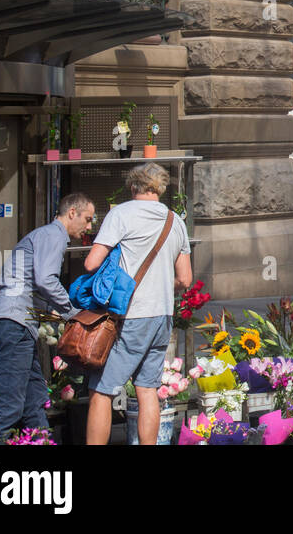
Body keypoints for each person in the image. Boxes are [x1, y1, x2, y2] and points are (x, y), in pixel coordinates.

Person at [84, 163, 192, 445]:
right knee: (147, 390)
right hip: (162, 316)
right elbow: (185, 278)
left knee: (102, 390)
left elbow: (91, 263)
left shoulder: (120, 214)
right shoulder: (174, 220)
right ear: (160, 189)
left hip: (131, 315)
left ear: (133, 187)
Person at [0, 193, 93, 444]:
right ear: (72, 212)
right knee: (8, 408)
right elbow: (45, 280)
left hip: (14, 325)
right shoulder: (53, 235)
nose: (89, 226)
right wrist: (72, 313)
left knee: (34, 403)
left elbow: (34, 284)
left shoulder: (43, 236)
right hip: (11, 324)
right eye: (87, 219)